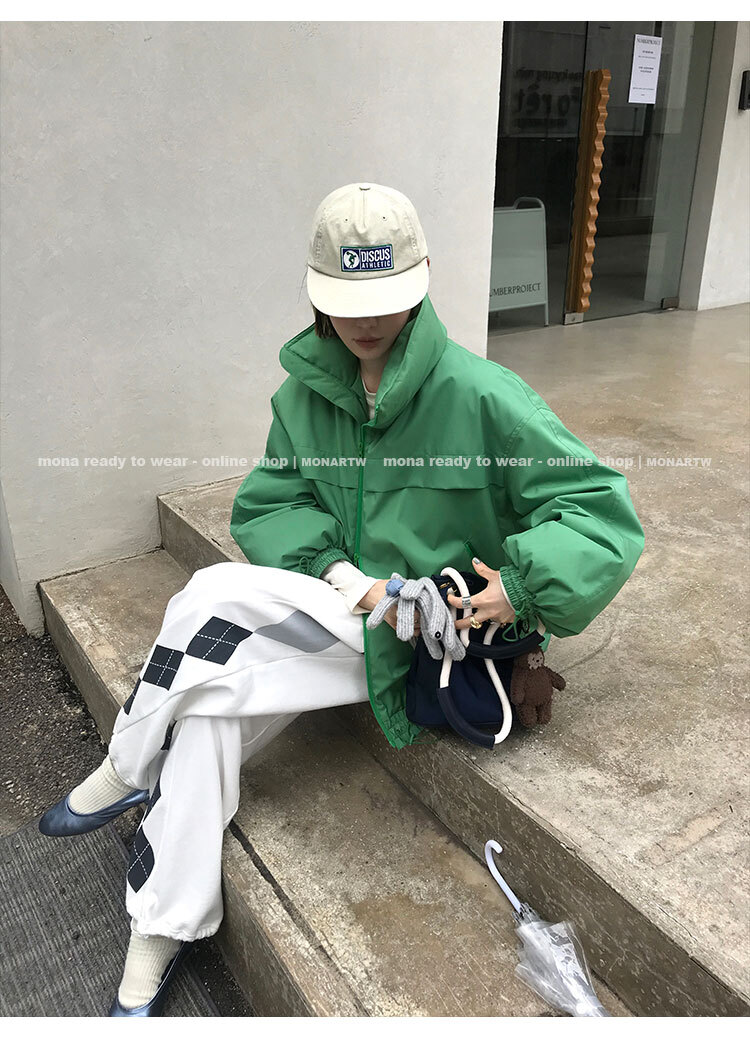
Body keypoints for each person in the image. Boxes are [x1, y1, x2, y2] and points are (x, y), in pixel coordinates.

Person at [38, 182, 645, 1016]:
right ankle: (162, 923)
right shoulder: (303, 398)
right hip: (347, 618)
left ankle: (126, 764)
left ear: (421, 281)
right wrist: (342, 576)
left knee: (215, 594)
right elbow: (270, 504)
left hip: (434, 639)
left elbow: (602, 512)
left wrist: (520, 584)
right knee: (209, 710)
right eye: (348, 302)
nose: (367, 321)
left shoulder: (482, 396)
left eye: (385, 299)